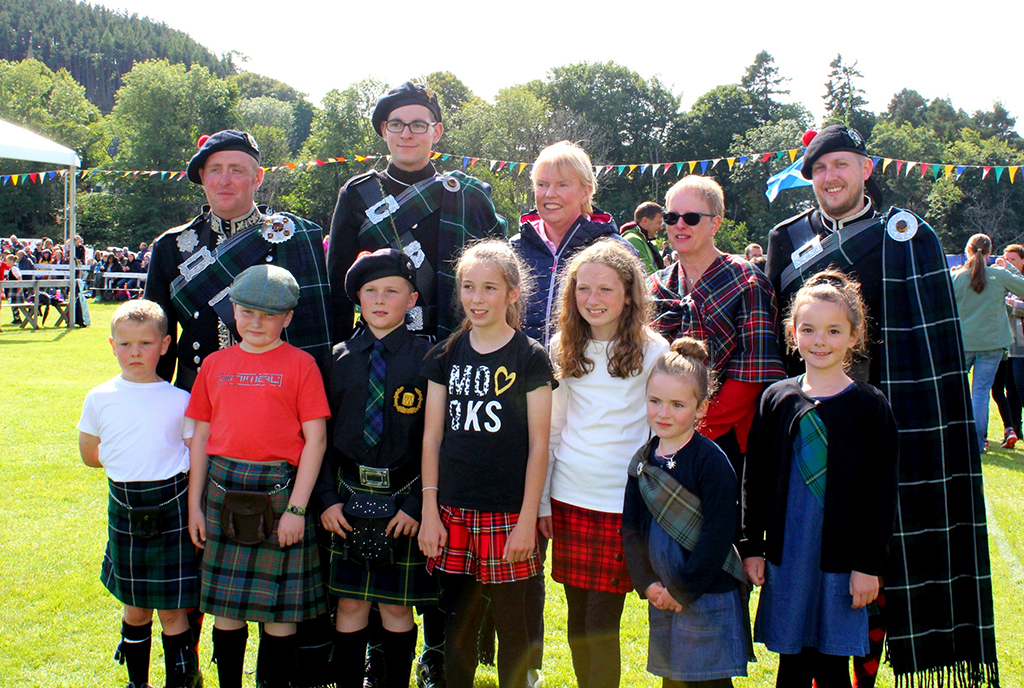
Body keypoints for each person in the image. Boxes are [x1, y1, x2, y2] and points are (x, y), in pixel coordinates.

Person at [764, 125, 998, 685]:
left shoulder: (904, 235)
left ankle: (865, 673)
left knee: (878, 564)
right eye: (819, 169)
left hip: (889, 425)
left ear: (866, 168)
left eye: (841, 165)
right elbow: (781, 340)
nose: (830, 177)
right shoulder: (786, 236)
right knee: (810, 562)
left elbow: (933, 339)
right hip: (812, 429)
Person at [742, 270, 899, 687]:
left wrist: (868, 566)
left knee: (831, 665)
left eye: (833, 331)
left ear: (853, 336)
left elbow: (881, 495)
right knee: (791, 662)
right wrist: (752, 547)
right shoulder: (776, 399)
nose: (820, 341)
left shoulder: (870, 406)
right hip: (789, 556)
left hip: (842, 562)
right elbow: (753, 481)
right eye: (809, 329)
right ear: (793, 333)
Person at [185, 264, 330, 688]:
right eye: (247, 312)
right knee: (227, 613)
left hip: (280, 494)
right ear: (232, 311)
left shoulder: (301, 365)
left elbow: (315, 442)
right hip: (220, 491)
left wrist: (297, 511)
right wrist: (195, 507)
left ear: (287, 318)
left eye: (270, 315)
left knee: (280, 617)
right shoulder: (214, 364)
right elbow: (200, 439)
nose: (257, 323)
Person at [418, 240, 554, 688]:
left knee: (512, 623)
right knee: (457, 624)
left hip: (508, 514)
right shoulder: (445, 354)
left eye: (490, 288)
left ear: (513, 293)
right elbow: (433, 436)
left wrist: (527, 520)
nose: (477, 299)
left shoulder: (530, 356)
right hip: (452, 511)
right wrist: (429, 513)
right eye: (469, 287)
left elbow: (539, 446)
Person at [539, 240, 668, 688]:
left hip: (622, 503)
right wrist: (541, 502)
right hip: (569, 498)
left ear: (630, 294)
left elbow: (661, 432)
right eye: (583, 289)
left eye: (606, 290)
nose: (592, 300)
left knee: (601, 621)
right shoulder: (561, 345)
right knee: (577, 623)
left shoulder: (653, 350)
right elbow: (552, 429)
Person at [316, 249, 438, 688]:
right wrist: (327, 499)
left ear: (412, 299)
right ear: (357, 300)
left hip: (403, 499)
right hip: (346, 497)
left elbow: (437, 441)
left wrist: (415, 504)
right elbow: (320, 437)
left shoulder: (430, 358)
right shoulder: (335, 358)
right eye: (371, 291)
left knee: (396, 608)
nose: (381, 300)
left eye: (393, 291)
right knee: (348, 604)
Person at [145, 129, 332, 392]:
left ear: (257, 178)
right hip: (197, 394)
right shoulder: (170, 246)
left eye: (236, 170)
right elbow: (155, 336)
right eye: (215, 170)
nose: (224, 181)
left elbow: (317, 328)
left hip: (275, 395)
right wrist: (154, 397)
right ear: (202, 177)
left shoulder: (293, 235)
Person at [77, 300, 202, 688]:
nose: (135, 353)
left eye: (145, 344)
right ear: (112, 345)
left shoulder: (180, 399)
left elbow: (196, 459)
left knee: (173, 612)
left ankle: (181, 681)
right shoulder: (99, 397)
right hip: (126, 509)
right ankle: (138, 682)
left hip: (174, 508)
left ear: (165, 345)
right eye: (126, 344)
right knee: (135, 609)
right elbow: (89, 455)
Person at [327, 81, 507, 344]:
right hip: (378, 348)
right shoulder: (357, 194)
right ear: (384, 130)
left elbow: (499, 279)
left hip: (457, 346)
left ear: (437, 132)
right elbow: (337, 288)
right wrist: (339, 360)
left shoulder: (469, 195)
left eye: (419, 125)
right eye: (396, 124)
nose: (406, 134)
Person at [622, 337, 751, 688]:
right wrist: (646, 582)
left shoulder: (711, 462)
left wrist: (682, 589)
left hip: (707, 594)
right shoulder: (643, 461)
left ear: (701, 408)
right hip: (662, 595)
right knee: (672, 682)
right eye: (655, 402)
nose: (663, 413)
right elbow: (630, 530)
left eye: (677, 404)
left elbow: (718, 535)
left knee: (710, 682)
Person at [648, 175, 785, 489]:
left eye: (691, 217)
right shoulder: (655, 285)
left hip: (723, 440)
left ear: (715, 224)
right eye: (671, 217)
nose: (679, 225)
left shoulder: (747, 280)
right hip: (660, 434)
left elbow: (752, 374)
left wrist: (694, 430)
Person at [511, 140, 634, 347]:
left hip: (588, 372)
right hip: (522, 373)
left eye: (562, 185)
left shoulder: (616, 251)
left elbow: (634, 321)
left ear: (585, 192)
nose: (550, 194)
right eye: (542, 184)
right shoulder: (515, 248)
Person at [952, 234, 1024, 453]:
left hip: (963, 341)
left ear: (968, 251)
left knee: (956, 389)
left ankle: (955, 436)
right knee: (981, 393)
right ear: (991, 252)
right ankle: (979, 440)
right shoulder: (999, 274)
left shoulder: (956, 277)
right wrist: (1009, 269)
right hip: (992, 343)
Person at [620, 201, 666, 274]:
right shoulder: (633, 240)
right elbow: (648, 276)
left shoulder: (646, 241)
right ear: (645, 221)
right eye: (658, 223)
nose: (661, 227)